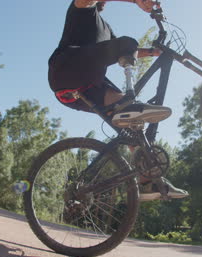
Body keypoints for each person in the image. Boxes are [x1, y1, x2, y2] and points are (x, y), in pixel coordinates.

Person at [48, 0, 188, 201]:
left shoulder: (106, 28)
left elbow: (127, 51)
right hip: (65, 70)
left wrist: (153, 52)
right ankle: (131, 95)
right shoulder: (80, 9)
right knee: (128, 43)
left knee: (132, 124)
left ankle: (148, 182)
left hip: (85, 89)